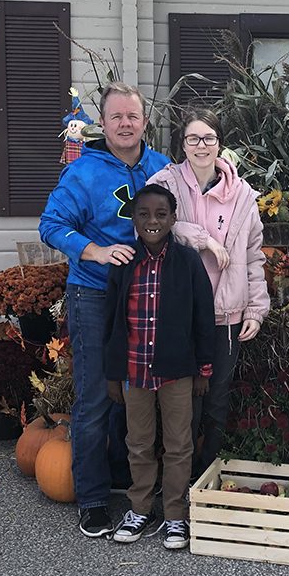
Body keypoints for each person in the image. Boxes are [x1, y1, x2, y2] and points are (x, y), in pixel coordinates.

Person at [39, 82, 169, 539]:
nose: (126, 124)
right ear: (104, 123)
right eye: (116, 117)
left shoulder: (161, 168)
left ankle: (122, 478)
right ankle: (92, 497)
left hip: (145, 297)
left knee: (132, 393)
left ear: (144, 121)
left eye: (133, 116)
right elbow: (50, 225)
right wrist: (92, 250)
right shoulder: (83, 173)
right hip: (93, 294)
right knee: (94, 395)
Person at [148, 109, 270, 479]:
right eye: (193, 139)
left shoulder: (243, 195)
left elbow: (253, 253)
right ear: (182, 144)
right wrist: (204, 240)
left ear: (220, 143)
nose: (201, 146)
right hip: (180, 314)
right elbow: (154, 224)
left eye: (209, 139)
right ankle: (176, 485)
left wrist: (255, 309)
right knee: (182, 404)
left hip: (226, 315)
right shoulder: (165, 183)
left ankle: (205, 481)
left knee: (216, 401)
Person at [104, 184, 216, 550]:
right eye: (144, 214)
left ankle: (175, 515)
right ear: (133, 218)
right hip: (134, 370)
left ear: (173, 218)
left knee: (179, 444)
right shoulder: (124, 262)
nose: (152, 221)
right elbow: (111, 320)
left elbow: (203, 317)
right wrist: (112, 373)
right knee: (137, 442)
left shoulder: (187, 262)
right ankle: (139, 508)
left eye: (161, 214)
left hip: (177, 370)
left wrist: (204, 368)